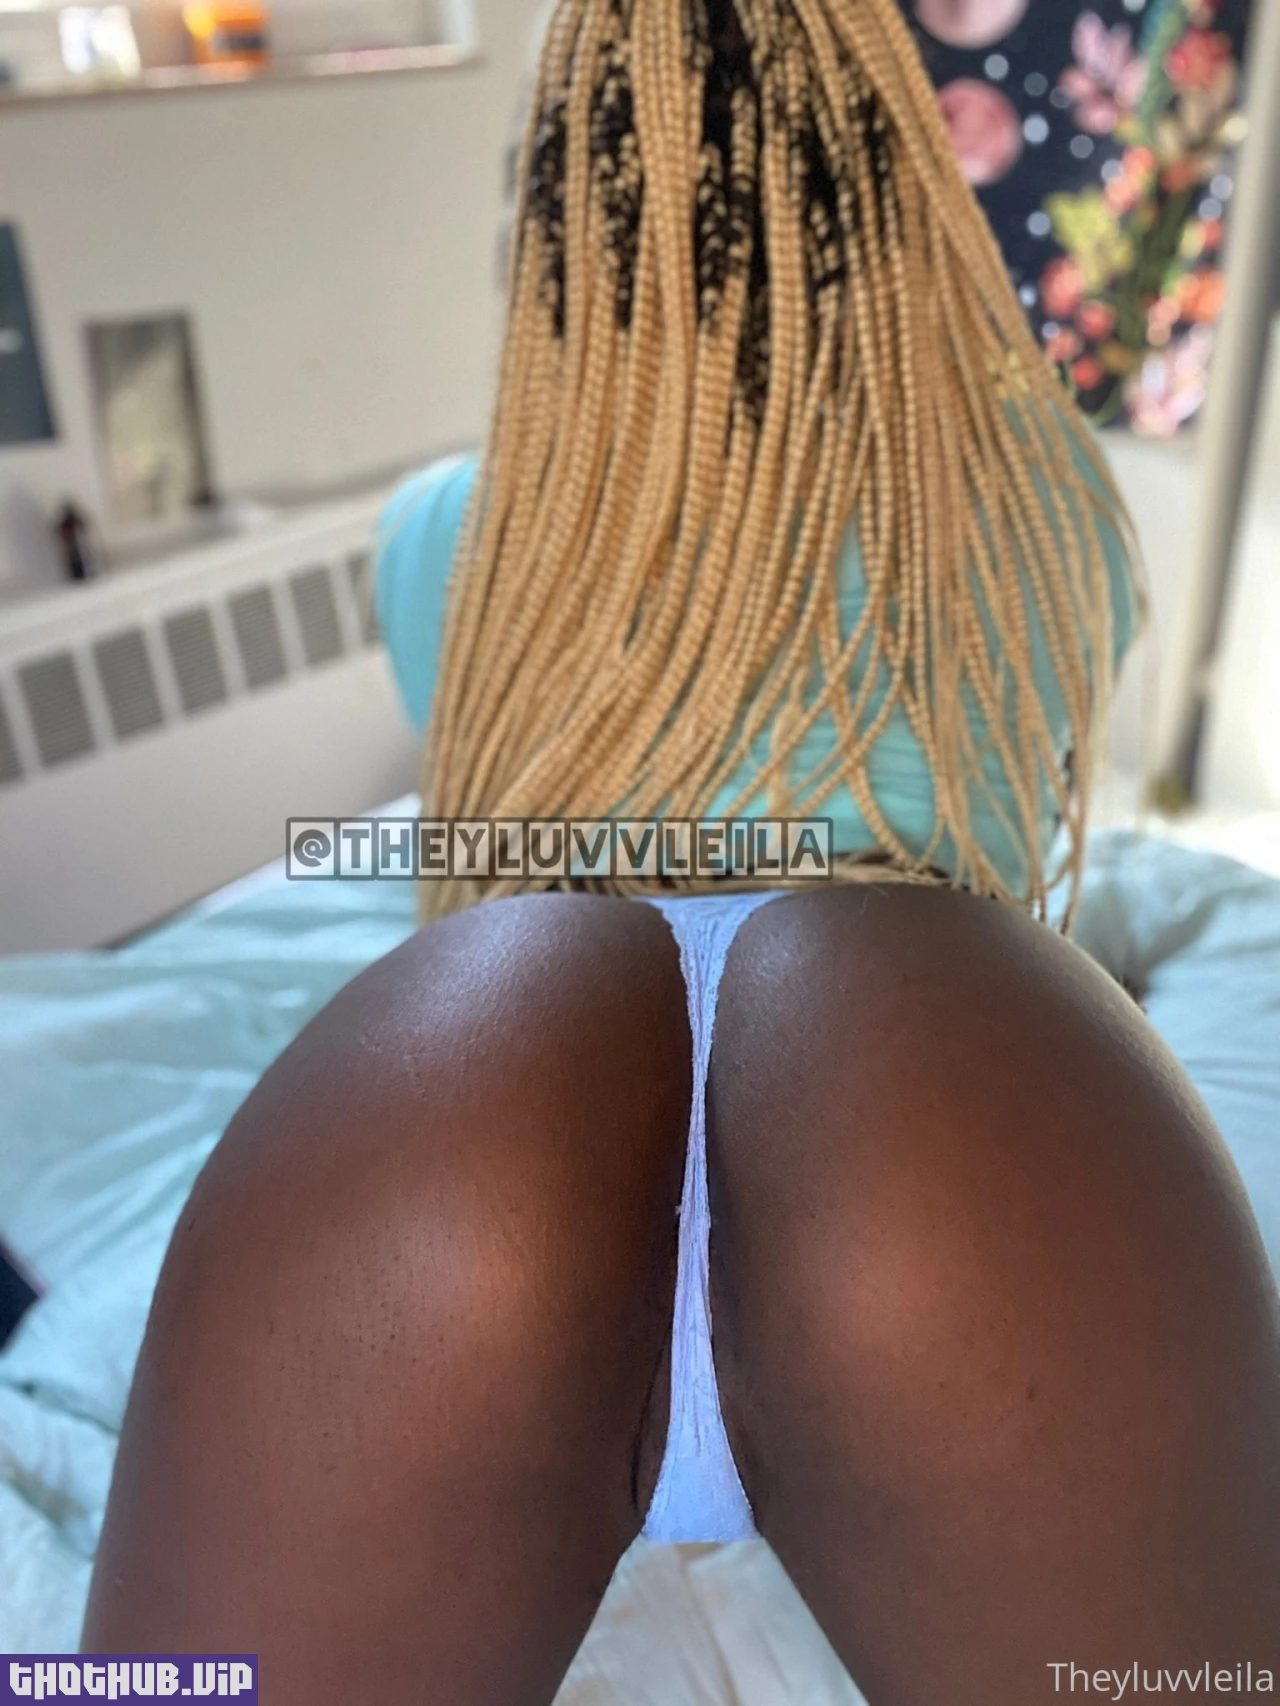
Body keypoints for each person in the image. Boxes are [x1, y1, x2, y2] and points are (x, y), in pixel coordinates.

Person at [82, 0, 1280, 1697]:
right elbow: (1024, 789)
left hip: (470, 1109)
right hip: (946, 1095)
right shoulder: (1051, 503)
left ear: (552, 231)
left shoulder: (453, 534)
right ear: (912, 204)